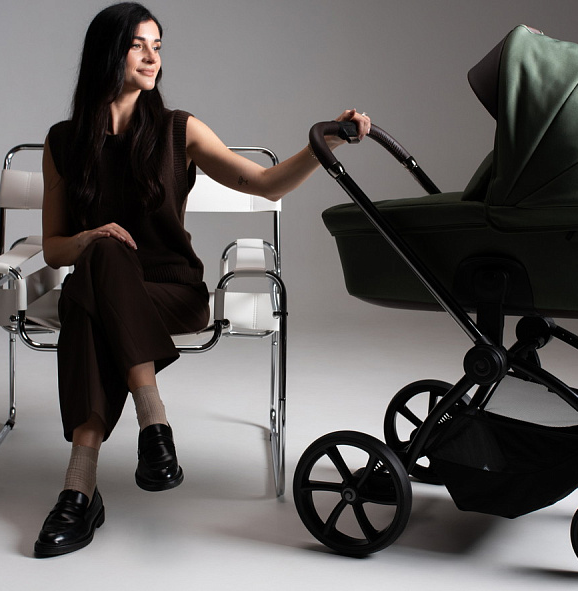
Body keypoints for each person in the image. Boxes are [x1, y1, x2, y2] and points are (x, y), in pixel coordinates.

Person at [34, 2, 370, 558]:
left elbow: (265, 184)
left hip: (172, 293)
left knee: (90, 298)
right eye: (138, 45)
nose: (152, 57)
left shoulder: (177, 130)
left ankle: (80, 489)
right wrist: (90, 237)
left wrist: (325, 142)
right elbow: (54, 247)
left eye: (157, 46)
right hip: (101, 289)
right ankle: (148, 435)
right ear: (106, 54)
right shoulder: (63, 142)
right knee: (100, 261)